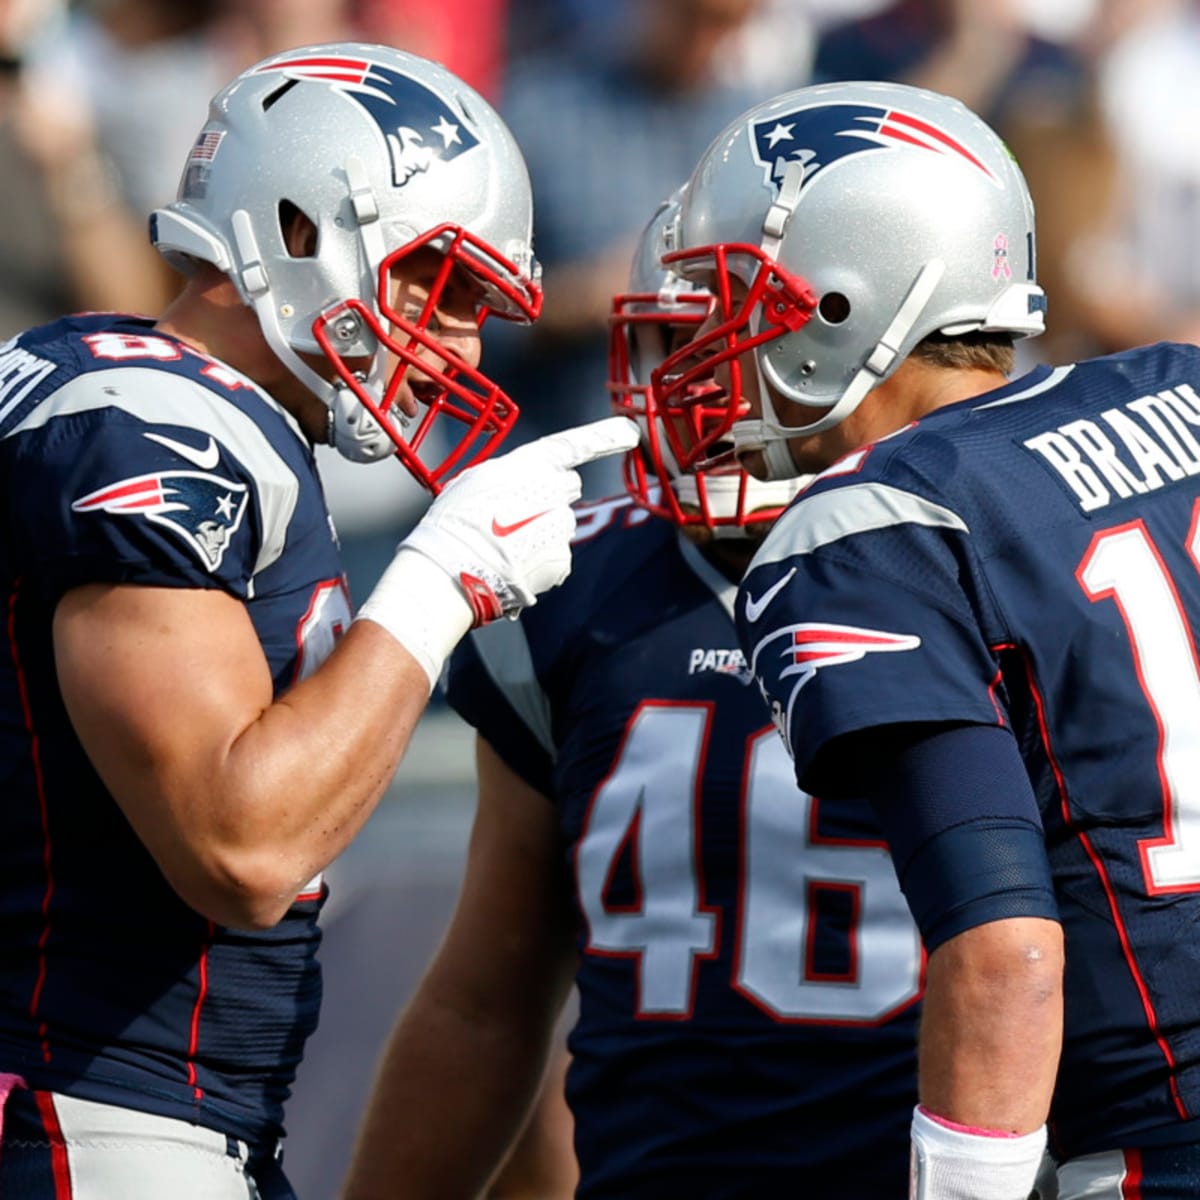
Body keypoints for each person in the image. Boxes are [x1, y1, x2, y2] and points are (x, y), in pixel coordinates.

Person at [0, 41, 636, 1199]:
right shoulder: (154, 426)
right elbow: (239, 844)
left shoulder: (145, 399)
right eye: (434, 285)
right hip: (84, 1105)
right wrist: (441, 581)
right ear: (296, 227)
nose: (456, 343)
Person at [652, 76, 1200, 1197]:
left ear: (845, 303)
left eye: (739, 303)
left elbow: (1006, 953)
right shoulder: (1180, 387)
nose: (714, 346)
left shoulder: (874, 522)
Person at [340, 192, 924, 1200]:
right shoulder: (572, 592)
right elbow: (490, 993)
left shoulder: (979, 574)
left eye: (739, 354)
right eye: (676, 351)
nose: (695, 394)